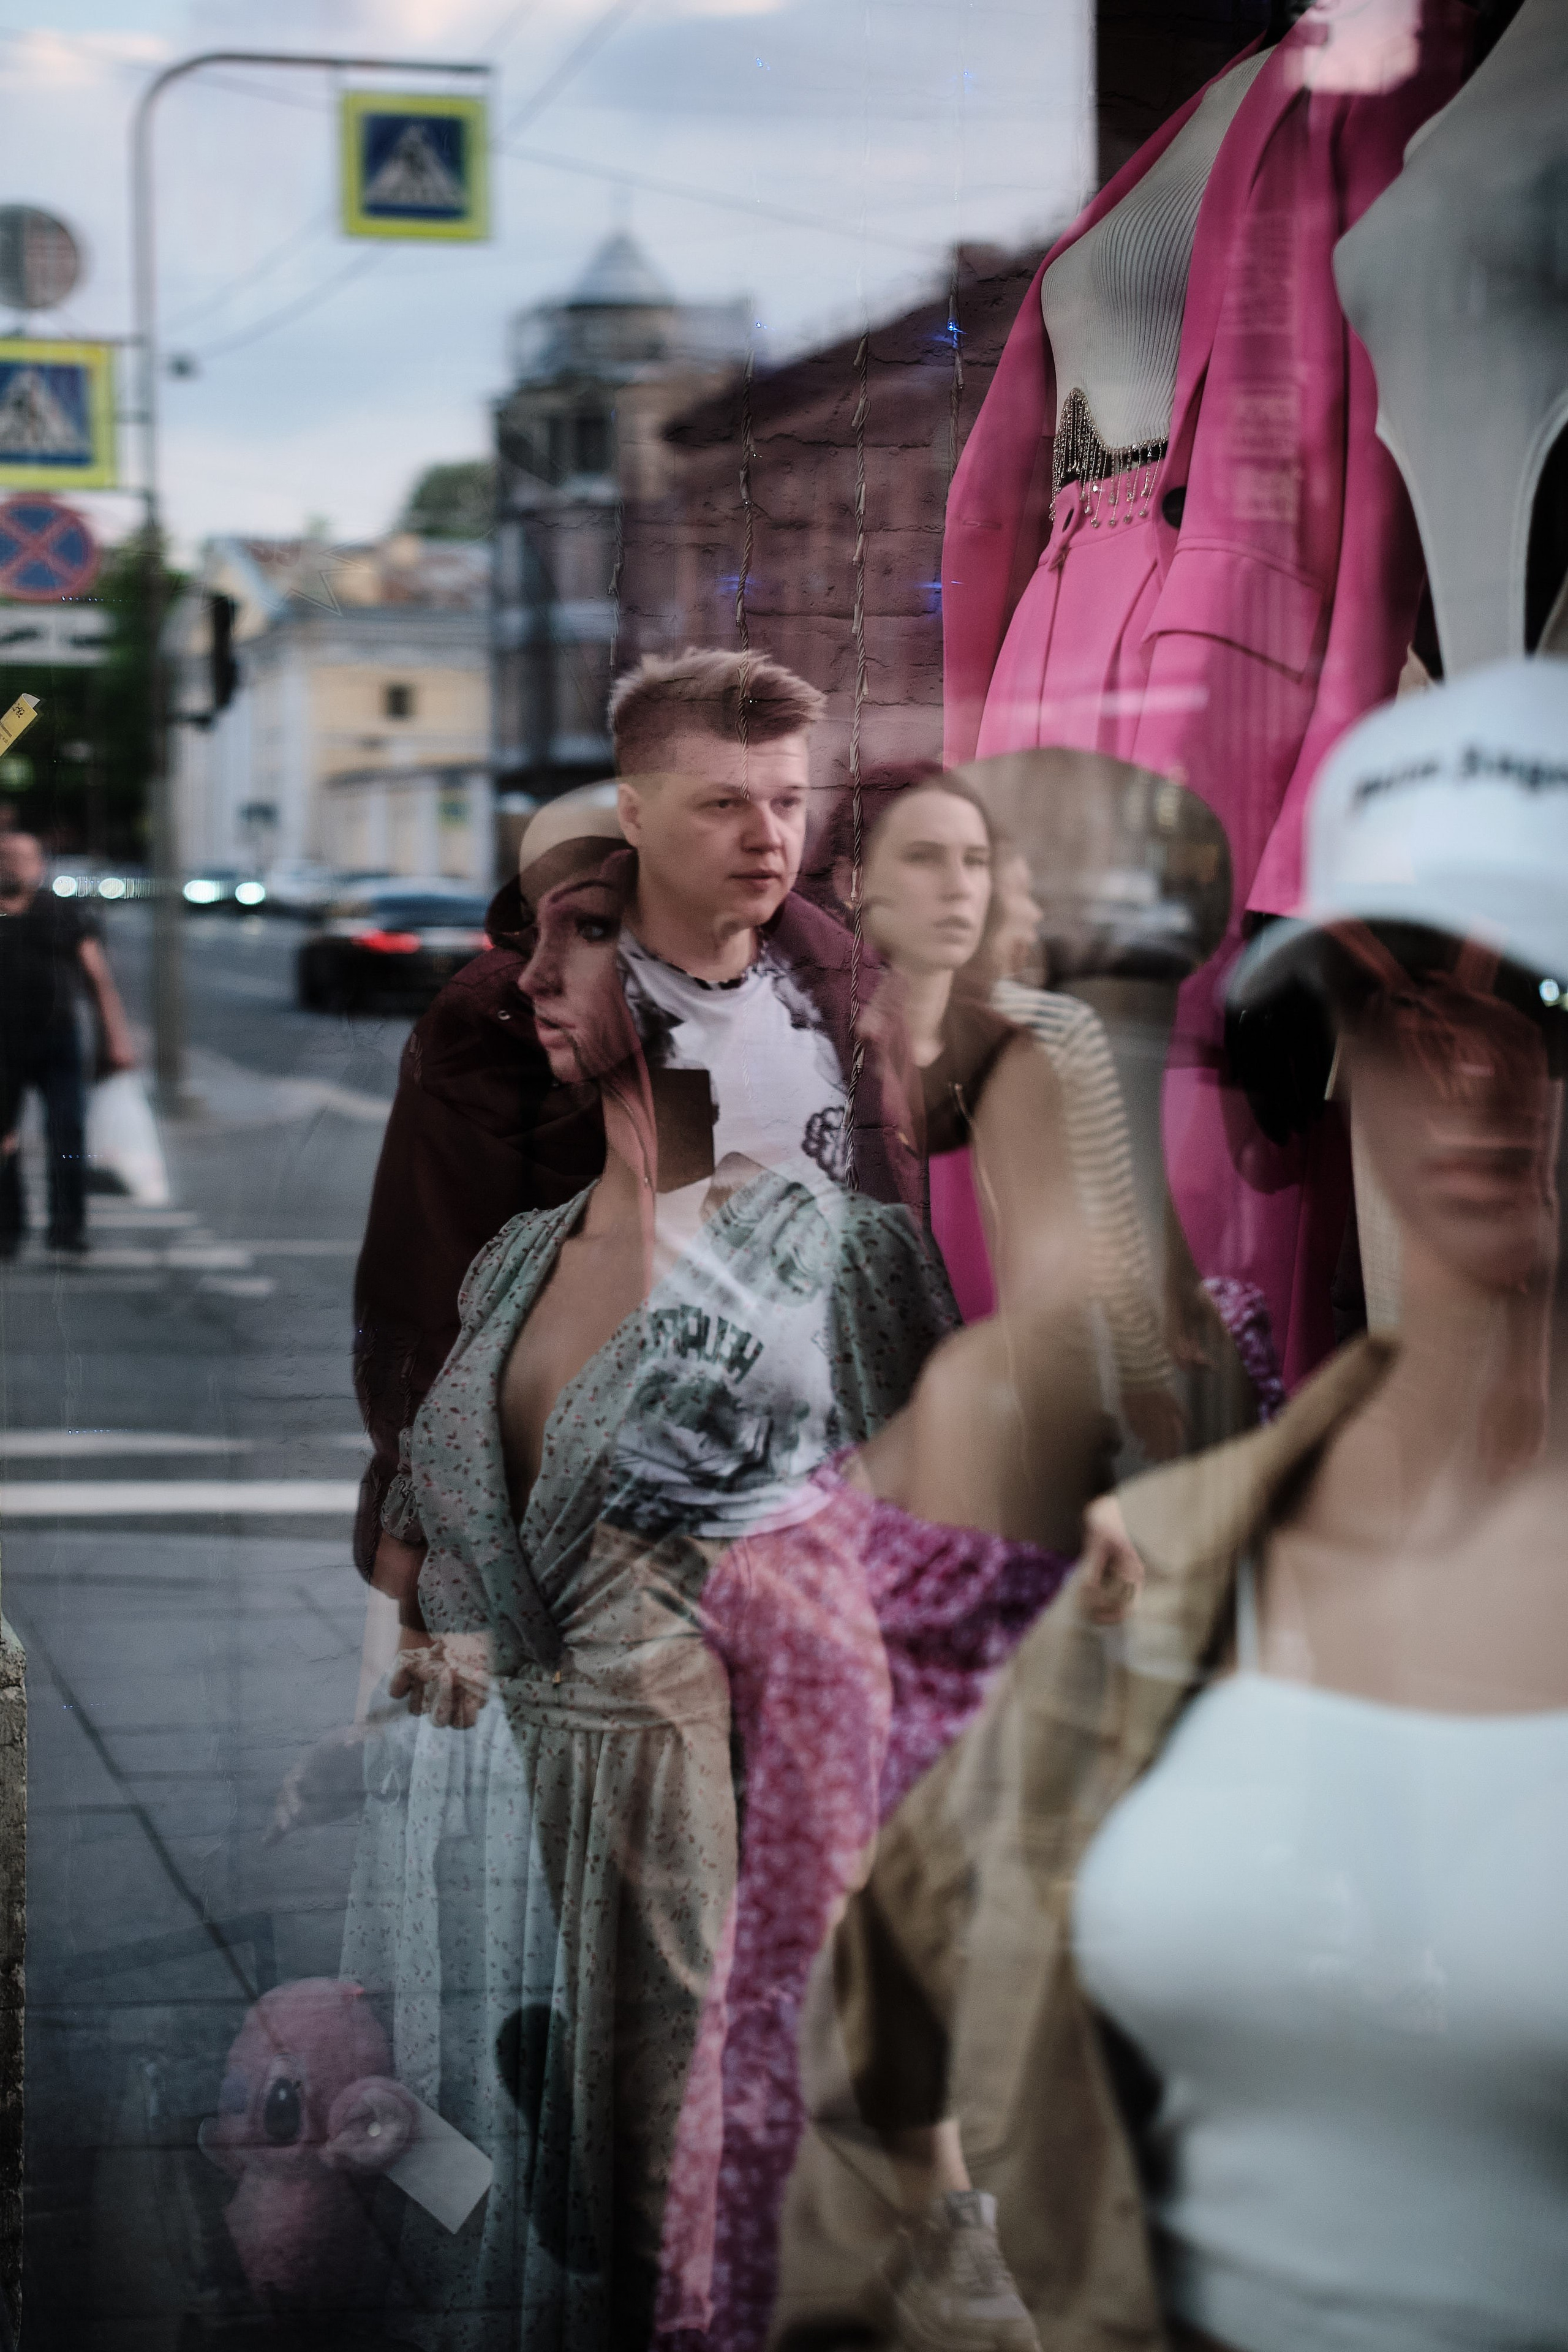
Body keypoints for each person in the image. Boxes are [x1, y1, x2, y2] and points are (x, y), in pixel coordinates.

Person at [772, 656, 1568, 2352]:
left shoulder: (1058, 1424)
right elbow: (884, 2044)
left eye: (1554, 1006)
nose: (1482, 1074)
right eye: (1397, 996)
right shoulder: (1201, 1544)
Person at [342, 827, 954, 2351]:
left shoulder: (828, 1264)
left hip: (741, 1966)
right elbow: (448, 1566)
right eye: (532, 935)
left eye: (589, 930)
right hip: (531, 1920)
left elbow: (936, 1658)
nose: (531, 975)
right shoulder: (513, 1265)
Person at [940, 0, 1470, 1392]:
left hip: (1199, 691)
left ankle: (1218, 1587)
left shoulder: (1389, 67)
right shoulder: (1224, 90)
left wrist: (1301, 877)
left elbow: (1369, 508)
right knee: (1024, 1262)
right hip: (1044, 674)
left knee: (1199, 1281)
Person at [351, 648, 918, 1581]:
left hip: (815, 1509)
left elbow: (879, 1262)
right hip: (571, 1516)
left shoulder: (841, 989)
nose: (768, 838)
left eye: (786, 802)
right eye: (722, 803)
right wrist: (428, 1539)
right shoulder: (514, 1014)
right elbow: (430, 1288)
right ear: (634, 816)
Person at [824, 764, 1180, 1456]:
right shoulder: (822, 1050)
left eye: (976, 860)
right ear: (854, 885)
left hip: (1025, 1411)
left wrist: (1141, 1383)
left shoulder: (1052, 1035)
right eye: (924, 858)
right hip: (867, 1422)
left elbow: (1107, 1234)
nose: (959, 886)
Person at [0, 831, 136, 1260]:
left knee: (67, 1131)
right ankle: (8, 1231)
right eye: (5, 856)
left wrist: (116, 1038)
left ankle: (67, 1228)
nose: (13, 864)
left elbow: (98, 979)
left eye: (23, 857)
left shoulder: (63, 912)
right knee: (4, 1138)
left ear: (41, 866)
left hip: (58, 1039)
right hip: (2, 1046)